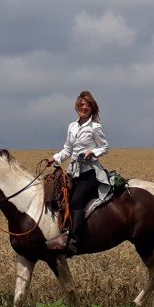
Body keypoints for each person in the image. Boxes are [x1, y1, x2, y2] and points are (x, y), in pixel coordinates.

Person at [43, 90, 106, 253]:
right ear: (77, 106)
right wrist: (54, 159)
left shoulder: (95, 127)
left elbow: (104, 147)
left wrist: (93, 152)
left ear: (92, 108)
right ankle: (59, 233)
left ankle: (75, 241)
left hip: (89, 172)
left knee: (77, 201)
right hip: (73, 171)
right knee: (59, 197)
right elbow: (67, 149)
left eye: (88, 105)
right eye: (82, 104)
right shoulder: (72, 126)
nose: (84, 107)